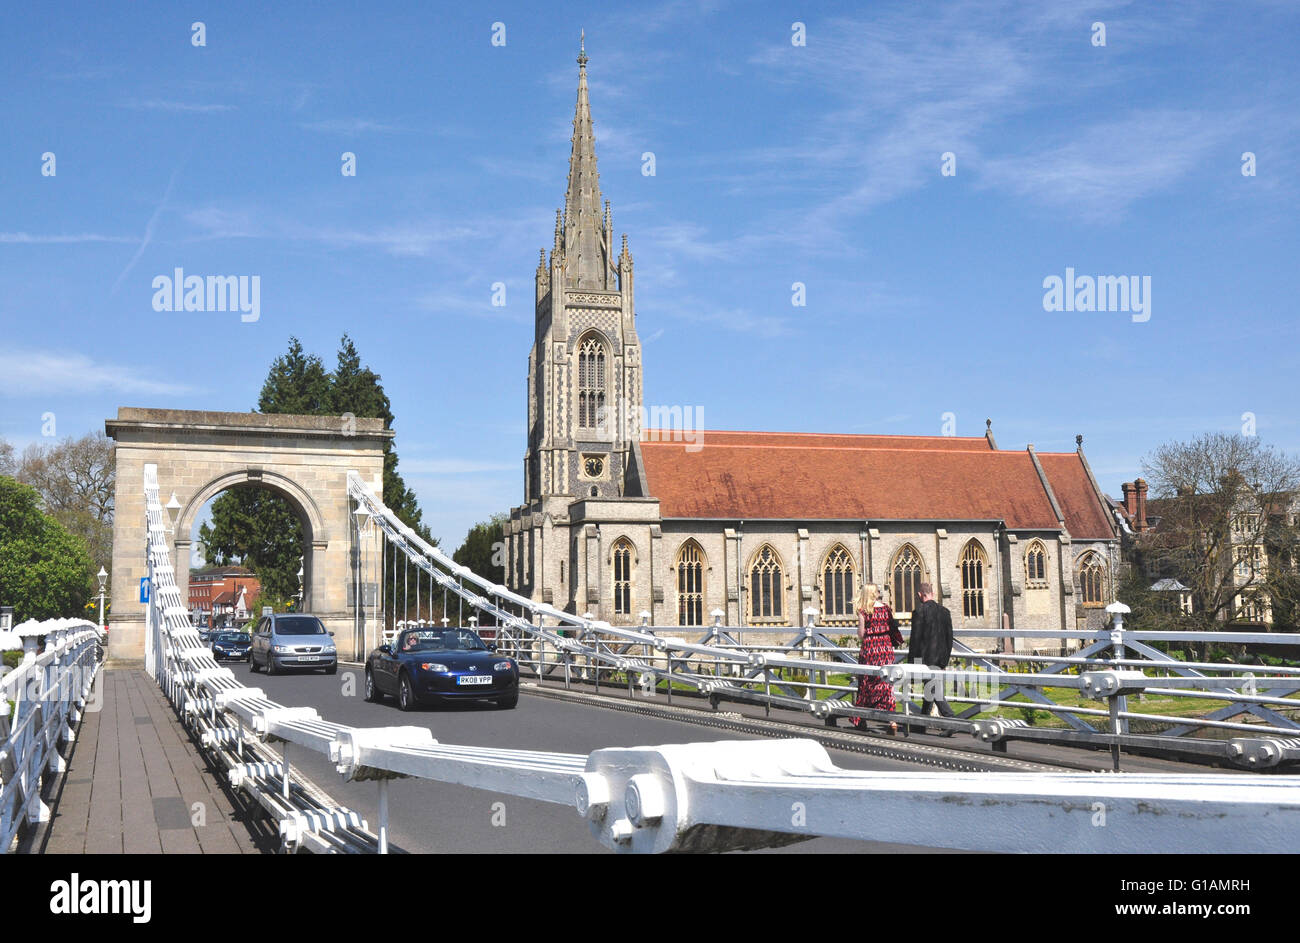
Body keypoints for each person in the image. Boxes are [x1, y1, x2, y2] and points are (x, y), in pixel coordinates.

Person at [852, 583, 903, 735]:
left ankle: (861, 718)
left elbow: (861, 634)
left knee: (866, 683)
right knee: (887, 684)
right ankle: (891, 721)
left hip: (871, 649)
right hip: (886, 648)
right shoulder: (886, 608)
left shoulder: (864, 610)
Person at [907, 582, 955, 736]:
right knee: (931, 690)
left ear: (921, 595)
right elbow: (949, 639)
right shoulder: (945, 612)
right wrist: (944, 661)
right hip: (940, 657)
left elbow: (915, 640)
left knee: (933, 690)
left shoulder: (919, 612)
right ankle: (921, 723)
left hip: (925, 659)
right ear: (932, 593)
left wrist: (911, 664)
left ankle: (951, 719)